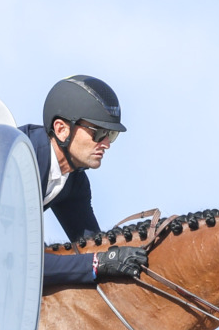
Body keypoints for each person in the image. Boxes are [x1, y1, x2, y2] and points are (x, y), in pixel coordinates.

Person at [20, 76, 150, 288]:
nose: (106, 144)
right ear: (61, 129)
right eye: (98, 132)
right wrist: (98, 263)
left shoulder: (74, 182)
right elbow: (21, 262)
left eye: (111, 134)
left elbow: (94, 246)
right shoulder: (21, 160)